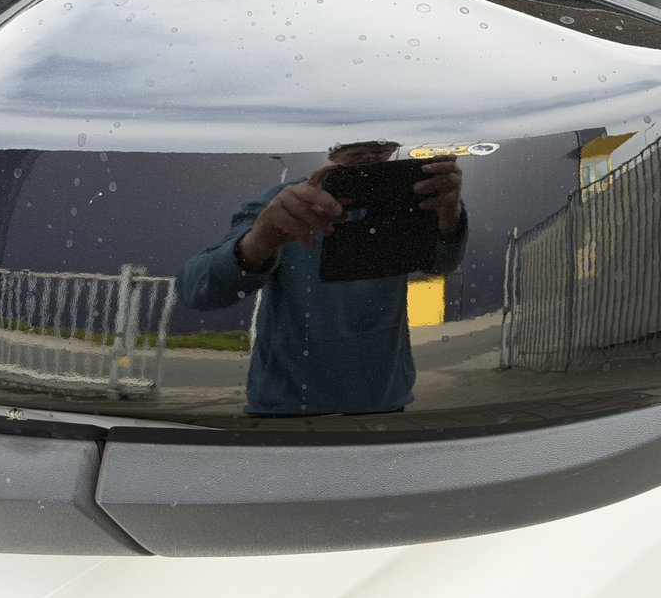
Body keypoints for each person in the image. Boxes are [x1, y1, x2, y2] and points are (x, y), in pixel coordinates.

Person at [177, 140, 467, 415]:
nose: (370, 154)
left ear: (392, 149)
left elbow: (441, 264)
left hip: (374, 399)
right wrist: (260, 239)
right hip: (293, 406)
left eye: (381, 145)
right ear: (331, 152)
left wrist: (450, 215)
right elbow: (195, 289)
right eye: (355, 145)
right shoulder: (285, 203)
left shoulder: (414, 199)